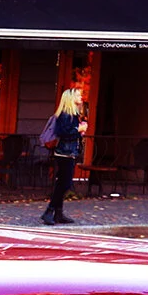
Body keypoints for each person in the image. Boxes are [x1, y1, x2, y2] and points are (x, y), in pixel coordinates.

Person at [39, 88, 88, 226]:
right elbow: (63, 133)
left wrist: (78, 131)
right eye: (78, 95)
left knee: (62, 183)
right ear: (70, 98)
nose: (81, 97)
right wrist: (78, 130)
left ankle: (58, 213)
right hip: (64, 153)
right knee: (64, 183)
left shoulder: (72, 114)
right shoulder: (66, 114)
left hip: (68, 152)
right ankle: (49, 211)